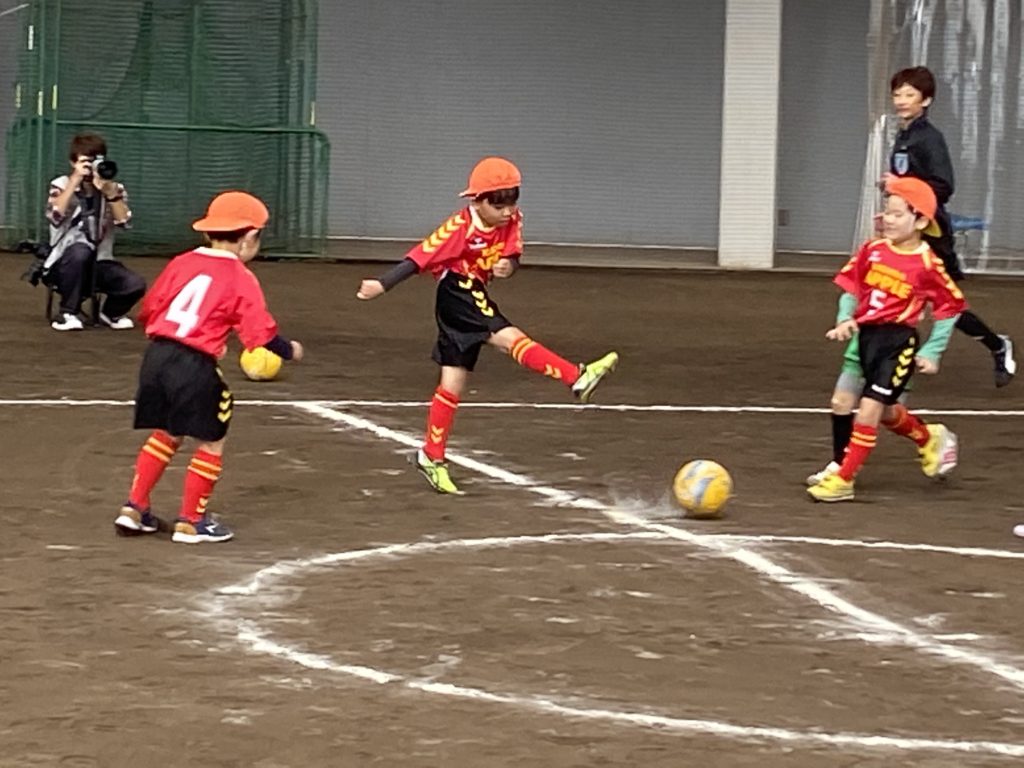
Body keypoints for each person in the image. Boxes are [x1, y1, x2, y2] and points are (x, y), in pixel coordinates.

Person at [356, 156, 619, 495]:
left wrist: (509, 265)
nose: (507, 211)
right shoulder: (459, 228)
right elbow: (419, 256)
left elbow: (512, 253)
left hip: (472, 290)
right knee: (508, 337)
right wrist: (382, 284)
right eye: (498, 205)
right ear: (476, 201)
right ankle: (574, 376)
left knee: (452, 382)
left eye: (512, 202)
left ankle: (431, 456)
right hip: (458, 291)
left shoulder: (512, 219)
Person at [113, 191, 304, 543]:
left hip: (157, 356)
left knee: (167, 432)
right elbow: (260, 334)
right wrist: (289, 350)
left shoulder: (182, 262)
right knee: (212, 440)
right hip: (195, 365)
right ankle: (191, 522)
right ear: (249, 237)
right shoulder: (240, 276)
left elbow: (150, 309)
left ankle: (134, 508)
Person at [807, 177, 965, 503]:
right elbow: (852, 287)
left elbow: (951, 307)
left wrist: (932, 350)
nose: (887, 219)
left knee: (869, 411)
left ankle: (844, 479)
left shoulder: (928, 264)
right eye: (886, 212)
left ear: (920, 221)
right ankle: (926, 437)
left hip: (896, 343)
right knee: (846, 404)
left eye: (896, 214)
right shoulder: (872, 250)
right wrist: (845, 319)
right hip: (864, 338)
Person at [888, 66, 1015, 387]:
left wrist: (901, 188)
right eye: (897, 94)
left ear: (926, 100)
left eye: (909, 95)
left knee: (947, 303)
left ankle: (997, 346)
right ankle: (892, 360)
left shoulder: (929, 138)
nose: (901, 100)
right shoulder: (904, 135)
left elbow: (944, 186)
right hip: (907, 230)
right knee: (896, 290)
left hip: (931, 232)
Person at [43, 132, 146, 331]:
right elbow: (55, 216)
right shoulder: (61, 185)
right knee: (80, 252)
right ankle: (67, 313)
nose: (92, 167)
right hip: (65, 262)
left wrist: (110, 195)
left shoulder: (113, 188)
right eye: (86, 162)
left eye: (96, 161)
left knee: (134, 284)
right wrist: (75, 181)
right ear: (73, 163)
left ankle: (110, 313)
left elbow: (124, 222)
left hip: (100, 261)